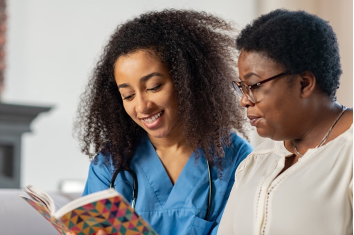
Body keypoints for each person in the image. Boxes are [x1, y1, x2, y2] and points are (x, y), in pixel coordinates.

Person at [73, 9, 253, 235]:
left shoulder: (235, 159)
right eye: (128, 96)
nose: (141, 106)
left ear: (185, 80)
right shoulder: (110, 166)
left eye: (154, 87)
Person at [218, 9, 353, 235]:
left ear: (304, 83)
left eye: (255, 86)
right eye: (241, 87)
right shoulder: (255, 163)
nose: (244, 100)